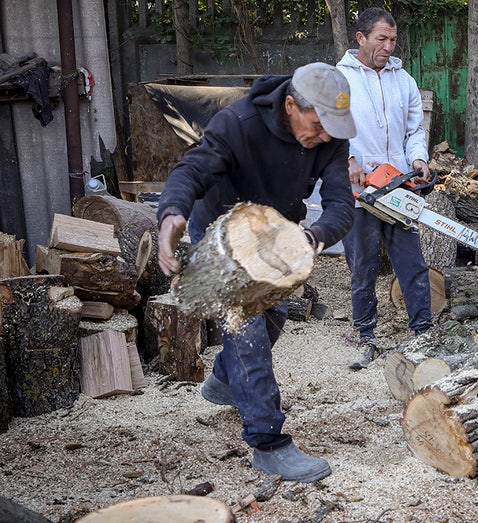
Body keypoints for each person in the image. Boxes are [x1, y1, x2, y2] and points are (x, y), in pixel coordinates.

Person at [155, 63, 357, 483]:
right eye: (318, 125)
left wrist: (313, 237)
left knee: (274, 316)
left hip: (277, 235)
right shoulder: (237, 122)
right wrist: (172, 213)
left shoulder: (329, 136)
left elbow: (342, 204)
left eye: (331, 129)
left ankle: (224, 381)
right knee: (245, 331)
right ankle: (268, 444)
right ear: (290, 105)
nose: (325, 136)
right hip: (222, 233)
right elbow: (191, 170)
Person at [337, 7, 434, 371]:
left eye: (392, 40)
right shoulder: (340, 79)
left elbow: (414, 131)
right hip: (361, 190)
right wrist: (347, 160)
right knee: (362, 266)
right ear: (361, 38)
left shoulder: (403, 80)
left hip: (399, 185)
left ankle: (423, 331)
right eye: (381, 39)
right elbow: (331, 129)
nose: (388, 46)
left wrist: (419, 160)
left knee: (412, 262)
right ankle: (365, 333)